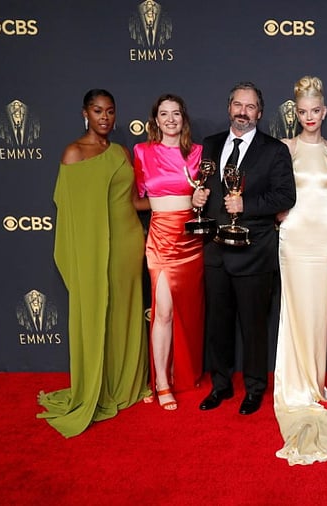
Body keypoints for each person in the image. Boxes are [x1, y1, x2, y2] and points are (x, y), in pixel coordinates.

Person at [38, 88, 151, 437]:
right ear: (85, 113)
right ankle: (96, 388)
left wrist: (176, 198)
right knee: (97, 311)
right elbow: (70, 212)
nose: (105, 117)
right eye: (98, 110)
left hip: (127, 242)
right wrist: (81, 253)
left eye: (110, 111)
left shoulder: (120, 152)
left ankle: (125, 384)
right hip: (92, 250)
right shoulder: (73, 153)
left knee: (124, 311)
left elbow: (134, 201)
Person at [191, 81, 295, 415]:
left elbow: (285, 196)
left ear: (260, 113)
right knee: (217, 326)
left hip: (254, 251)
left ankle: (254, 388)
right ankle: (220, 386)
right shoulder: (210, 144)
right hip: (216, 252)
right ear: (229, 108)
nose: (243, 112)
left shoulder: (274, 149)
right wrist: (198, 198)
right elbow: (203, 186)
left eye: (250, 107)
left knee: (254, 327)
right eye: (238, 105)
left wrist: (245, 205)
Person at [272, 76, 327, 465]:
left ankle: (314, 382)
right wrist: (277, 211)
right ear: (297, 113)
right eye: (302, 112)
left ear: (324, 112)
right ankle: (296, 384)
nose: (309, 117)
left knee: (319, 310)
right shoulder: (284, 148)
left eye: (315, 111)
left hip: (324, 236)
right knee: (295, 308)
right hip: (293, 235)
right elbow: (274, 188)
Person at [132, 93, 205, 411]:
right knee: (161, 312)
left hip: (192, 242)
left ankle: (186, 374)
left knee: (187, 311)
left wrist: (197, 201)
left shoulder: (199, 153)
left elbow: (205, 196)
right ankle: (161, 381)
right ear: (155, 120)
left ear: (183, 118)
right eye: (164, 114)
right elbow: (136, 200)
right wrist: (165, 208)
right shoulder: (143, 151)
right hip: (161, 239)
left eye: (176, 113)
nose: (171, 119)